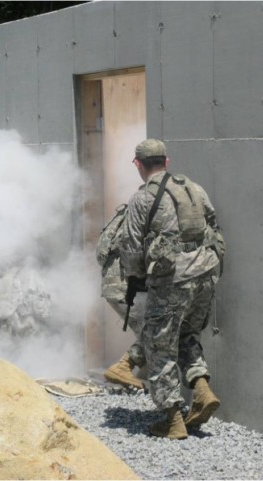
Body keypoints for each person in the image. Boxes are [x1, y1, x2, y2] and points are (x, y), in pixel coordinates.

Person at [119, 138, 225, 440]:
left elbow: (129, 246)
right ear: (166, 162)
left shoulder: (142, 198)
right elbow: (213, 223)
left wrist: (138, 277)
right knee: (187, 336)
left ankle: (172, 419)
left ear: (138, 165)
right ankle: (201, 390)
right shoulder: (193, 187)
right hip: (205, 273)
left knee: (158, 344)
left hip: (172, 280)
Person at [96, 204, 147, 390]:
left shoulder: (124, 213)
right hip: (124, 285)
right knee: (155, 332)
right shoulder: (141, 213)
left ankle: (144, 376)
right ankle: (123, 368)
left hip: (113, 285)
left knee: (147, 330)